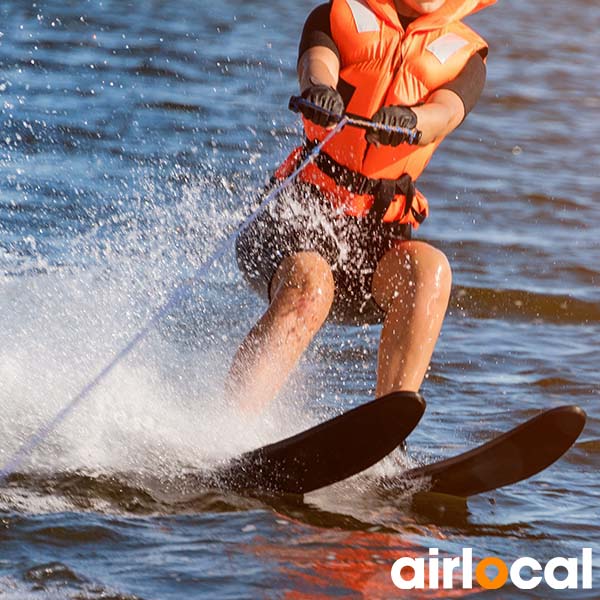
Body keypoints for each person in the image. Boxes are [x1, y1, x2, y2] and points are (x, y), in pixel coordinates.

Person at [230, 0, 494, 412]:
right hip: (293, 222)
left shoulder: (467, 58)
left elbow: (445, 112)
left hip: (373, 240)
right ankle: (232, 425)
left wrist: (413, 121)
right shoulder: (335, 15)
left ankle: (388, 432)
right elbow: (316, 63)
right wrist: (319, 90)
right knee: (311, 282)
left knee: (429, 270)